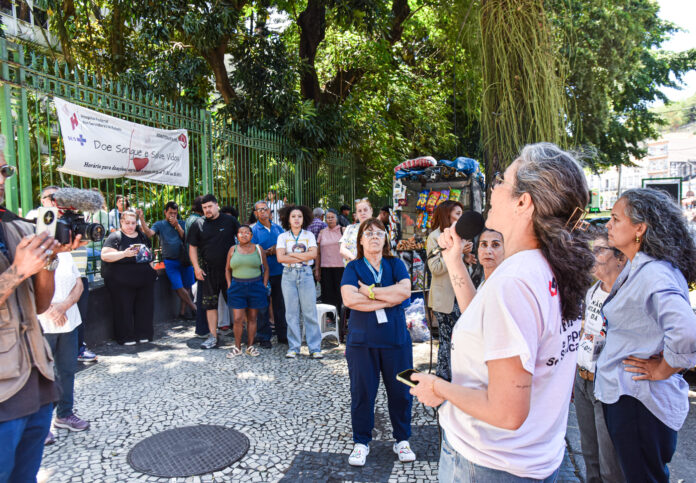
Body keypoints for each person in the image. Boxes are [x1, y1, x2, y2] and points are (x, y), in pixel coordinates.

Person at [411, 142, 595, 481]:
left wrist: (438, 387)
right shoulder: (545, 265)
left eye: (501, 180)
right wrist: (454, 261)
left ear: (523, 202)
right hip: (531, 456)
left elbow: (507, 411)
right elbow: (486, 326)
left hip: (489, 463)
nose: (493, 189)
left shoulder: (515, 281)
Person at [597, 188, 696, 482]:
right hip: (630, 398)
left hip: (639, 401)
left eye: (616, 219)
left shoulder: (655, 273)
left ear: (639, 228)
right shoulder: (638, 267)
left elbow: (686, 330)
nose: (608, 225)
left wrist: (664, 368)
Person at [0, 134, 83, 482]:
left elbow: (40, 303)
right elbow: (18, 278)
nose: (1, 179)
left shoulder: (15, 226)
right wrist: (17, 271)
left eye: (4, 170)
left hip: (35, 384)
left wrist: (48, 260)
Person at [340, 218, 415, 467]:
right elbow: (350, 300)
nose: (374, 237)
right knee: (362, 393)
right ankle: (361, 442)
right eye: (369, 233)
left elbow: (405, 292)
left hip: (396, 341)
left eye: (379, 233)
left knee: (402, 392)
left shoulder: (395, 264)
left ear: (386, 239)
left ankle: (402, 440)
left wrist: (370, 292)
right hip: (362, 343)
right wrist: (389, 299)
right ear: (360, 240)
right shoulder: (353, 267)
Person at [574, 227, 625, 483]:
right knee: (589, 454)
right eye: (591, 251)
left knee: (610, 464)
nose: (593, 257)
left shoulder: (626, 295)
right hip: (583, 379)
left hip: (607, 384)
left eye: (600, 250)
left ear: (620, 258)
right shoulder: (592, 291)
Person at [39, 252, 90, 445]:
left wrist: (63, 306)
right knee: (42, 376)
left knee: (67, 371)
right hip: (43, 325)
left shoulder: (66, 254)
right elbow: (29, 289)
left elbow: (79, 284)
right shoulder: (34, 251)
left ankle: (64, 414)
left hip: (69, 322)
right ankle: (39, 425)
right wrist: (51, 309)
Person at [426, 200, 472, 382]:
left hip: (461, 295)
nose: (461, 218)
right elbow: (435, 268)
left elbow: (459, 266)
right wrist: (456, 253)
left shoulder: (460, 236)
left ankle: (459, 378)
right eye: (457, 214)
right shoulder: (434, 237)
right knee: (447, 340)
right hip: (444, 298)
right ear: (447, 215)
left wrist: (466, 258)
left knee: (461, 340)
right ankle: (443, 379)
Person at [187, 194, 240, 349]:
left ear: (217, 205)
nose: (207, 210)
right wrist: (196, 268)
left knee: (236, 302)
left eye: (210, 206)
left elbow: (243, 239)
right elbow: (192, 247)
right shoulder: (198, 224)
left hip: (230, 270)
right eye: (204, 208)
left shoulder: (230, 221)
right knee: (210, 305)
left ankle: (241, 337)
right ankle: (213, 337)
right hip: (208, 271)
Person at [100, 210, 157, 345]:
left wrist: (152, 270)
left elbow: (149, 254)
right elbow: (105, 255)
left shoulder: (142, 236)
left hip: (144, 280)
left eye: (133, 223)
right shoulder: (115, 237)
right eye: (127, 223)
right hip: (122, 282)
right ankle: (125, 336)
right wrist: (124, 254)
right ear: (121, 222)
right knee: (123, 308)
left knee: (144, 308)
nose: (130, 226)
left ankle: (143, 334)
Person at [276, 205, 321, 359]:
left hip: (306, 274)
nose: (296, 219)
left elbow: (313, 254)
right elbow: (280, 258)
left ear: (304, 219)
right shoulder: (283, 237)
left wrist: (290, 255)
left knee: (310, 312)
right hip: (288, 275)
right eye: (293, 216)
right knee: (291, 313)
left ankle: (314, 348)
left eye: (299, 216)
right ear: (288, 219)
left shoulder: (309, 235)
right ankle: (294, 347)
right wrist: (303, 255)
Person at [138, 202, 196, 319]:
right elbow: (149, 234)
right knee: (178, 286)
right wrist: (142, 219)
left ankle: (183, 312)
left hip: (184, 259)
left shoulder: (182, 223)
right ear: (165, 212)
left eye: (175, 213)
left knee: (187, 286)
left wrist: (177, 226)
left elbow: (185, 238)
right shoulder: (160, 224)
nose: (172, 215)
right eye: (170, 213)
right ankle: (194, 308)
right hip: (170, 260)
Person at [224, 225, 269, 358]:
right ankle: (237, 348)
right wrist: (229, 285)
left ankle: (250, 346)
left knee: (252, 318)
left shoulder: (258, 249)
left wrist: (264, 285)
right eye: (241, 233)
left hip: (256, 286)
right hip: (237, 286)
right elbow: (227, 269)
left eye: (247, 233)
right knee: (238, 319)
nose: (244, 235)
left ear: (251, 235)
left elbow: (266, 268)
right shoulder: (232, 249)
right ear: (237, 236)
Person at [251, 200, 287, 348]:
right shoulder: (253, 230)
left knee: (280, 305)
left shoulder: (278, 228)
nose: (263, 212)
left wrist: (277, 249)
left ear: (269, 211)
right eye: (259, 210)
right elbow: (252, 252)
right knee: (263, 306)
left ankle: (283, 335)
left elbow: (286, 246)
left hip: (279, 271)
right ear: (255, 213)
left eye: (265, 209)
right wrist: (268, 252)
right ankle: (264, 337)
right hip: (262, 273)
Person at [185, 196, 208, 338]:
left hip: (197, 262)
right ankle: (203, 328)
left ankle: (203, 327)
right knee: (203, 296)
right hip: (200, 262)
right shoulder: (197, 221)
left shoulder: (190, 219)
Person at [316, 209, 345, 315]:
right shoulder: (322, 232)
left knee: (340, 294)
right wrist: (317, 270)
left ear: (336, 218)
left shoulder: (343, 230)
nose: (330, 219)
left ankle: (342, 318)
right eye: (328, 217)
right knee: (327, 294)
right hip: (325, 268)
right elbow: (318, 253)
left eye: (332, 217)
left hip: (340, 268)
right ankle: (330, 317)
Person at [339, 199, 373, 266]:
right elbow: (342, 249)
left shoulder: (379, 229)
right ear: (356, 213)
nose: (362, 213)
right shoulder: (350, 228)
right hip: (353, 268)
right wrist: (356, 262)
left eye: (365, 210)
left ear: (371, 211)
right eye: (359, 211)